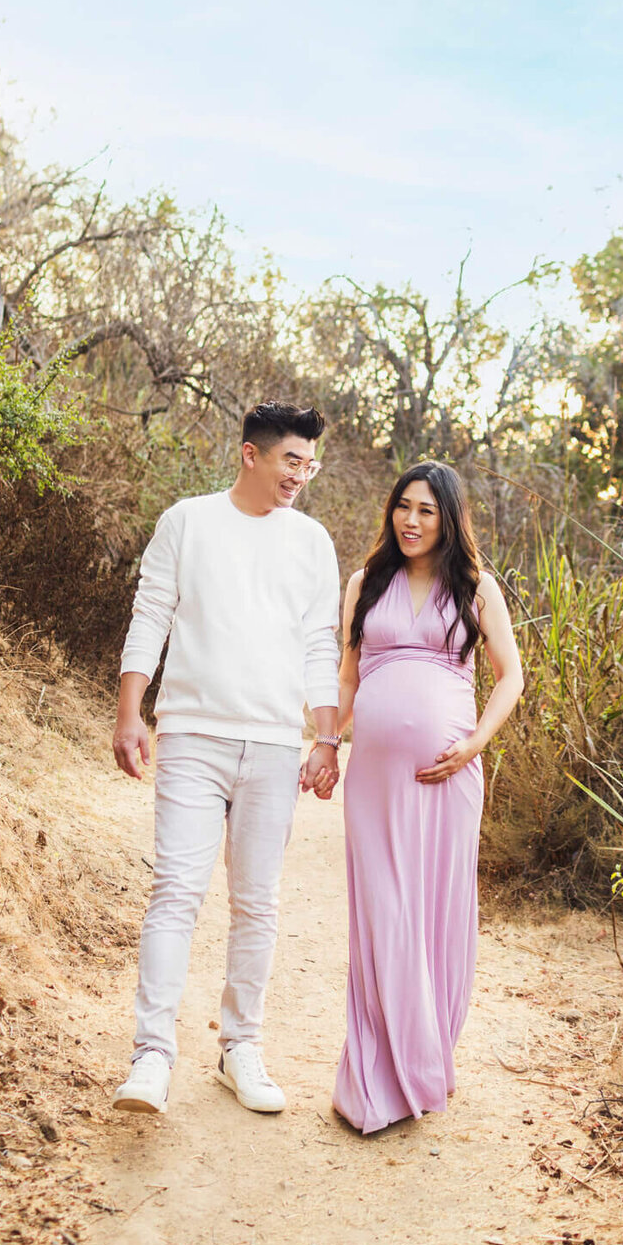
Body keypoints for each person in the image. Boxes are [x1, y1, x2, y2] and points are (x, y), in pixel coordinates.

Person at [111, 401, 342, 1118]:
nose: (301, 475)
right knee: (176, 892)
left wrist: (326, 737)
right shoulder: (187, 521)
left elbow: (317, 646)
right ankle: (152, 1056)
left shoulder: (311, 542)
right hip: (190, 735)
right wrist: (130, 711)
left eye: (310, 464)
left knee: (257, 903)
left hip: (274, 744)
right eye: (290, 461)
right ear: (251, 455)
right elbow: (150, 612)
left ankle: (240, 1047)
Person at [332, 462, 523, 1134]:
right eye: (402, 507)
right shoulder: (365, 584)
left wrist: (474, 744)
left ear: (449, 520)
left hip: (450, 777)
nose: (410, 521)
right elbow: (348, 678)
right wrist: (327, 743)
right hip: (374, 783)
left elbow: (510, 678)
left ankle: (423, 1060)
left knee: (434, 910)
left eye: (426, 511)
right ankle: (371, 1077)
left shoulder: (477, 588)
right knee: (382, 910)